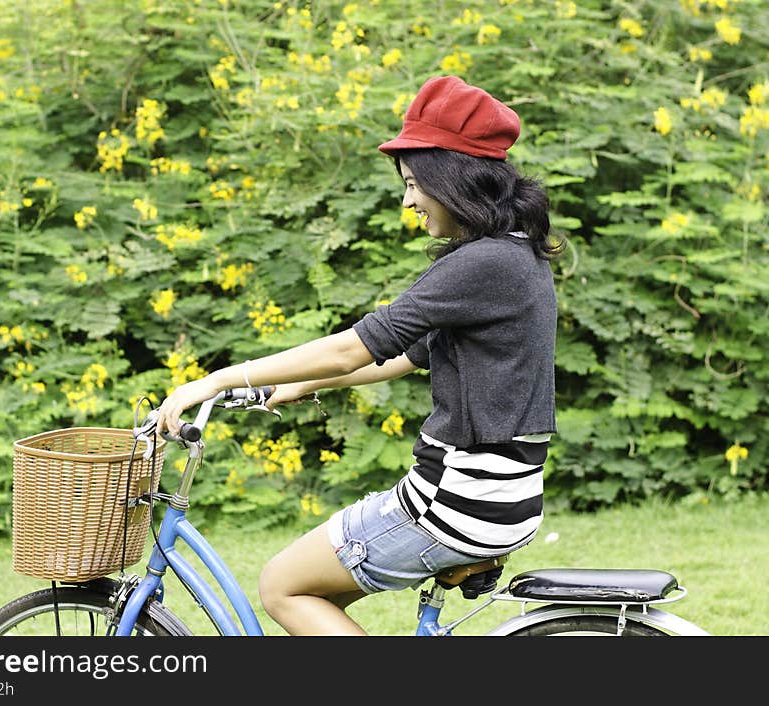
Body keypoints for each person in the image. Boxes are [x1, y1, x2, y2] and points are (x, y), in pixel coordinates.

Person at [156, 75, 563, 635]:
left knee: (283, 586)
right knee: (322, 597)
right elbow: (408, 353)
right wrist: (306, 385)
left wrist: (214, 380)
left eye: (416, 183)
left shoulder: (483, 263)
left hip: (456, 498)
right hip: (503, 496)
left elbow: (353, 348)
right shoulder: (515, 255)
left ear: (454, 180)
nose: (408, 200)